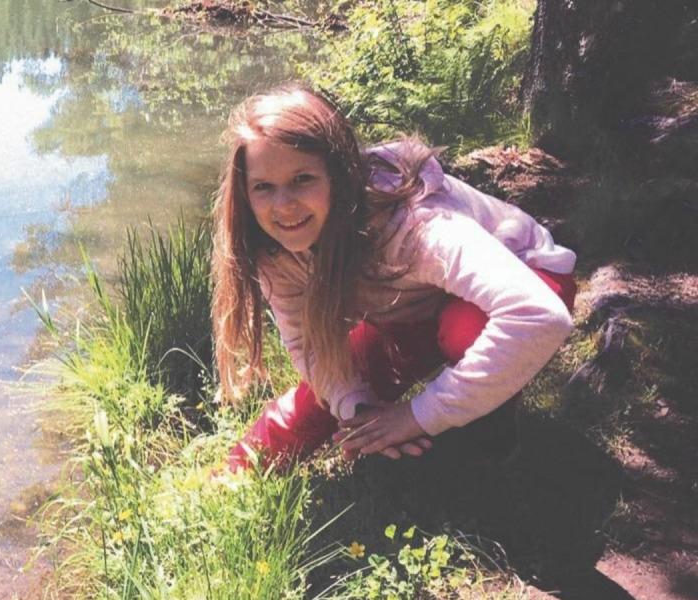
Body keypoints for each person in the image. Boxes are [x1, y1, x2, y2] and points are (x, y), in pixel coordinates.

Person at [210, 83, 577, 472]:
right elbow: (309, 346)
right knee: (312, 409)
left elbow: (539, 315)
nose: (284, 205)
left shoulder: (415, 225)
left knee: (465, 330)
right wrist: (359, 412)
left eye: (302, 179)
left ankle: (490, 439)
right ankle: (227, 478)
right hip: (414, 307)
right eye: (263, 187)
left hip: (525, 275)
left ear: (339, 174)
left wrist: (417, 416)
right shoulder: (273, 250)